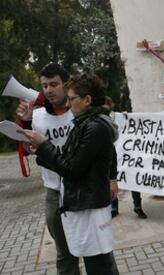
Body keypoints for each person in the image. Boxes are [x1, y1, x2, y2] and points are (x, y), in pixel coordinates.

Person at [22, 73, 118, 275]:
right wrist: (41, 151)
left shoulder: (94, 127)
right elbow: (68, 161)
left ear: (87, 100)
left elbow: (71, 169)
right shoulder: (86, 124)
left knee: (99, 265)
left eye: (72, 99)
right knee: (89, 260)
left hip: (90, 205)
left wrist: (44, 146)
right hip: (85, 202)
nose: (68, 104)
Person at [16, 63, 81, 274]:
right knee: (64, 254)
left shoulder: (80, 111)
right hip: (54, 194)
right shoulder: (36, 116)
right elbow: (27, 150)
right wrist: (25, 123)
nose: (49, 90)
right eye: (44, 86)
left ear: (66, 84)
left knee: (94, 250)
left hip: (83, 188)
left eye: (54, 84)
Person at [104, 96, 148, 219]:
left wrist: (128, 117)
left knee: (132, 178)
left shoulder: (119, 117)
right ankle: (114, 207)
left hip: (126, 155)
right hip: (110, 155)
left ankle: (137, 206)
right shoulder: (99, 120)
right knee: (112, 180)